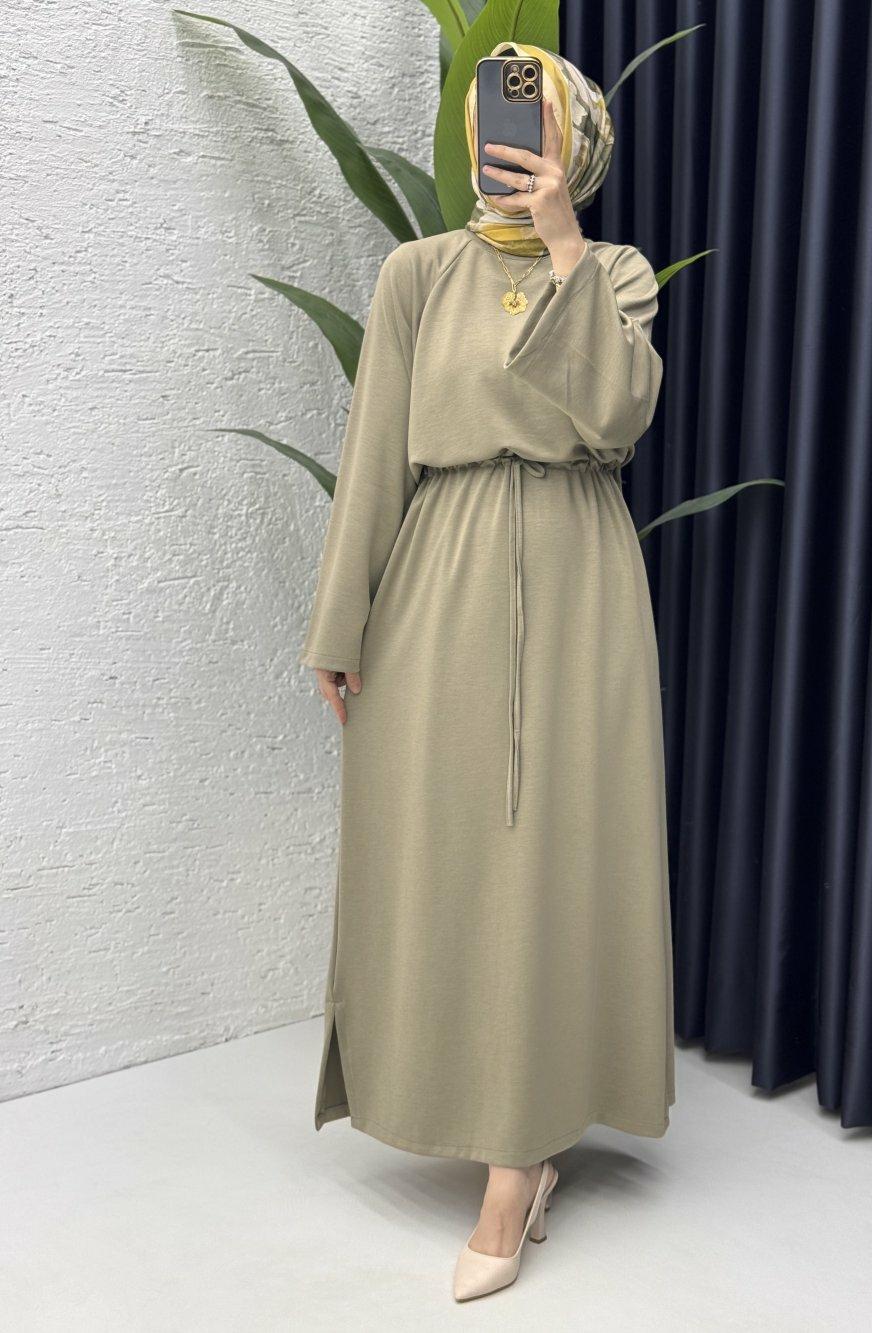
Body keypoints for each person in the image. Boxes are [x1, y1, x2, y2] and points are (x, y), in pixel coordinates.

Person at [299, 42, 675, 1302]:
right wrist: (339, 624)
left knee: (554, 857)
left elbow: (615, 417)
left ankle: (520, 1165)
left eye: (529, 120)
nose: (499, 140)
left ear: (578, 142)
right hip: (439, 577)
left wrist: (565, 246)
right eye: (488, 118)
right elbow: (374, 454)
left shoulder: (615, 274)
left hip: (579, 579)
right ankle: (454, 1095)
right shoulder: (417, 274)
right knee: (445, 853)